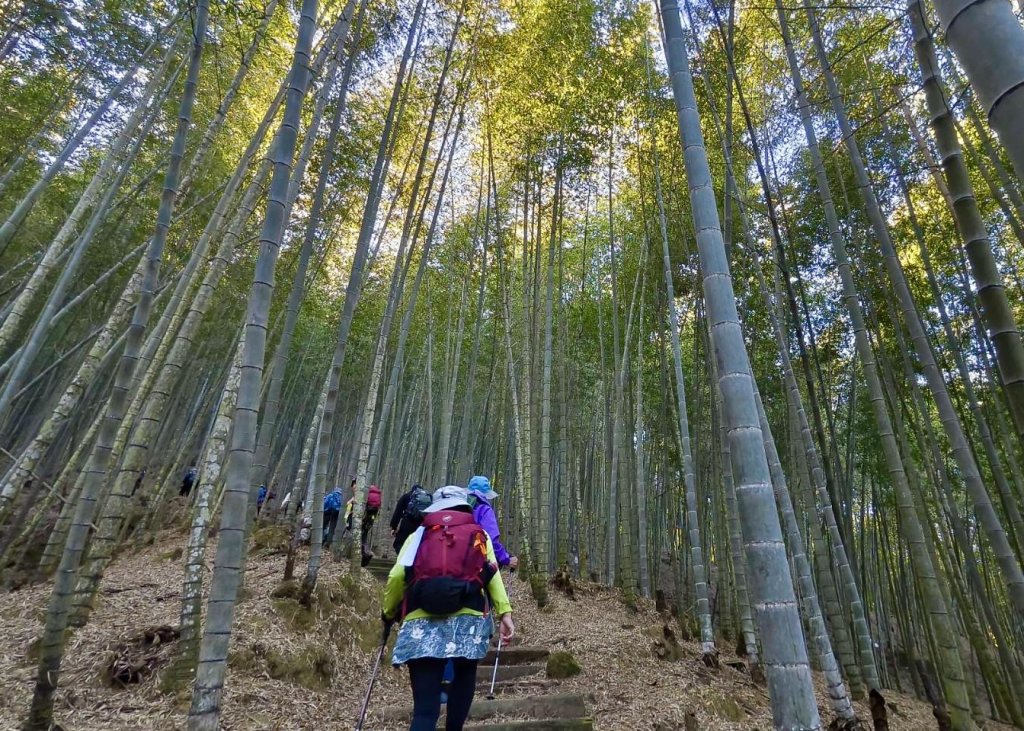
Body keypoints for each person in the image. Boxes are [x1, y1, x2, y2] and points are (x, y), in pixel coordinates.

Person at [381, 486, 515, 731]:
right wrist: (504, 613)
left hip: (421, 621)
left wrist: (388, 613)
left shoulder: (419, 534)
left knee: (424, 709)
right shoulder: (479, 534)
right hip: (469, 620)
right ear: (465, 506)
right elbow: (492, 574)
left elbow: (397, 576)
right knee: (463, 680)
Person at [466, 475, 518, 570]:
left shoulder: (458, 506)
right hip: (475, 566)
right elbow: (491, 539)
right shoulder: (484, 510)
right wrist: (506, 559)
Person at [390, 484, 432, 554]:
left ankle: (403, 561)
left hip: (407, 524)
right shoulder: (427, 499)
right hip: (421, 526)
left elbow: (398, 512)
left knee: (399, 543)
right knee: (418, 545)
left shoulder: (406, 496)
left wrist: (394, 527)